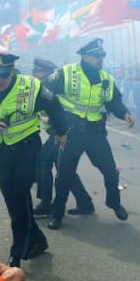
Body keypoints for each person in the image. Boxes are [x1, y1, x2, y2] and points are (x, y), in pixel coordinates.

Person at [0, 53, 68, 267]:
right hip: (1, 154)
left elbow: (54, 105)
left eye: (4, 75)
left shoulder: (30, 87)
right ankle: (38, 240)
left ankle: (17, 253)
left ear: (12, 70)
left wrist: (61, 132)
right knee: (14, 202)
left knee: (19, 195)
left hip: (27, 149)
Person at [46, 38, 134, 230]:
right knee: (64, 176)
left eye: (102, 55)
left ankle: (114, 202)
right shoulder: (66, 73)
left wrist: (124, 113)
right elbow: (46, 94)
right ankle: (57, 214)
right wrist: (55, 126)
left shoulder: (106, 79)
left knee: (111, 171)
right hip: (71, 133)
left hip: (95, 134)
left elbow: (114, 102)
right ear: (85, 56)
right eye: (97, 55)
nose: (100, 58)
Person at [32, 57, 95, 218]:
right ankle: (85, 202)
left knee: (43, 160)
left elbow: (58, 111)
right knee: (64, 168)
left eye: (37, 72)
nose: (34, 74)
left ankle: (46, 204)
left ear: (45, 73)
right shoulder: (44, 85)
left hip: (62, 132)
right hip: (61, 131)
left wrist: (56, 129)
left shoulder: (50, 87)